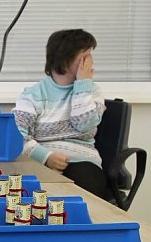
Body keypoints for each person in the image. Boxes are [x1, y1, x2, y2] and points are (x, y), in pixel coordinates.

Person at [12, 29, 110, 200]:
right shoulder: (32, 95)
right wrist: (46, 157)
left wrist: (83, 84)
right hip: (40, 163)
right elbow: (16, 136)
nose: (91, 63)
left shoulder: (92, 91)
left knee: (85, 193)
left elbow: (84, 124)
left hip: (82, 162)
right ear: (66, 59)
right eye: (86, 57)